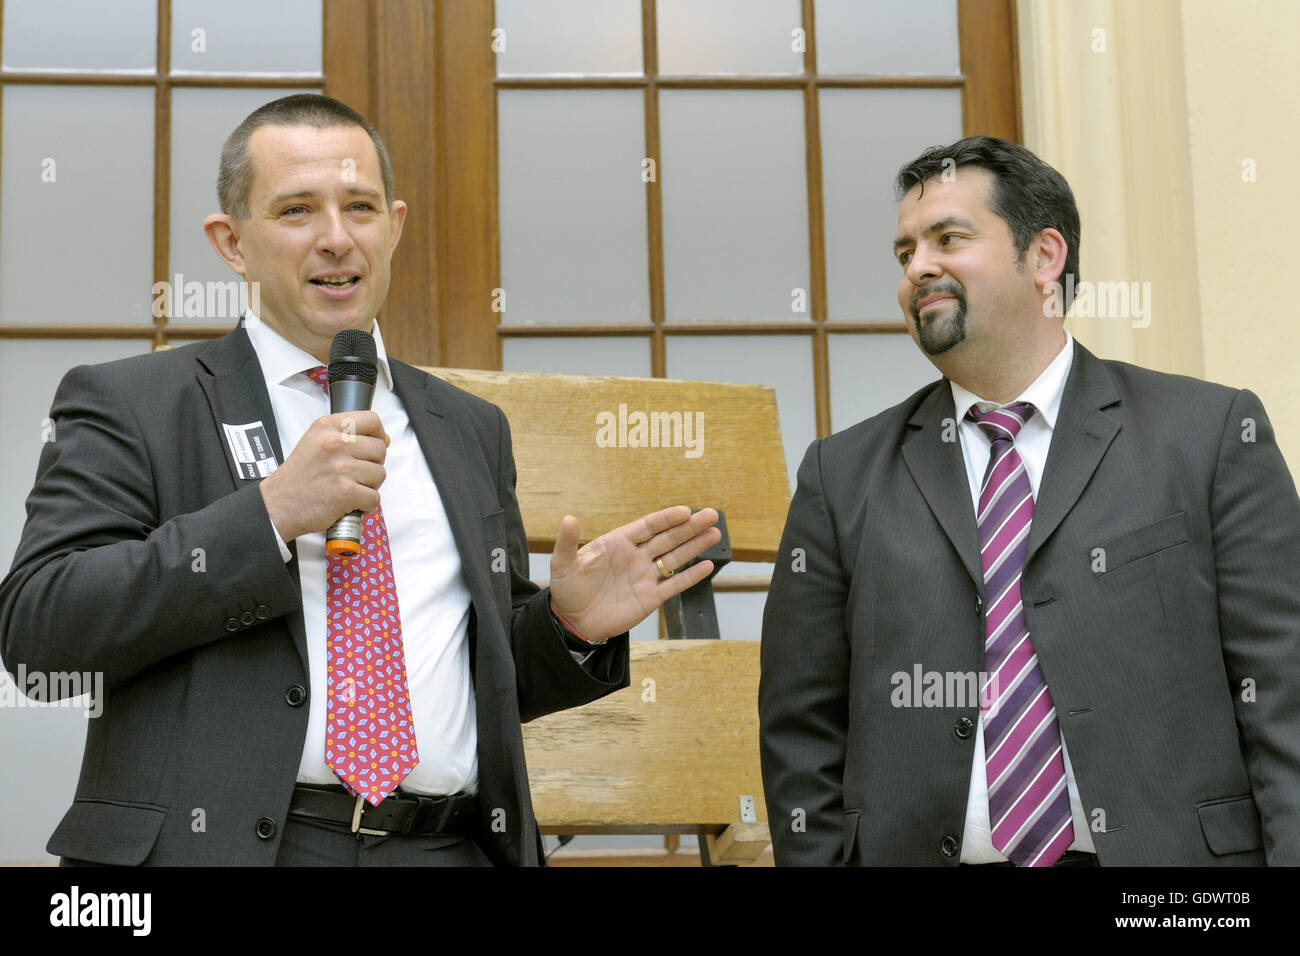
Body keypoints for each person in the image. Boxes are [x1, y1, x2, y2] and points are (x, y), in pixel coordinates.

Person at [0, 94, 720, 867]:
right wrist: (269, 516)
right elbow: (41, 639)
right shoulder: (135, 405)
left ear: (395, 226)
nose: (336, 239)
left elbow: (477, 676)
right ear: (231, 242)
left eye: (361, 208)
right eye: (297, 210)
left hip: (445, 846)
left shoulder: (470, 428)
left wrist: (569, 629)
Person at [758, 135, 1300, 866]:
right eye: (904, 253)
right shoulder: (841, 474)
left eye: (948, 238)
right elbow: (801, 728)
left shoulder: (1208, 437)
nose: (919, 267)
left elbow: (1283, 698)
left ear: (1045, 257)